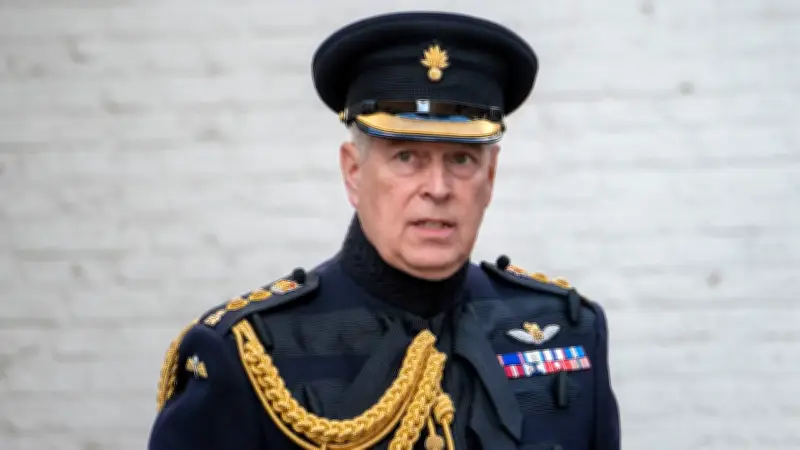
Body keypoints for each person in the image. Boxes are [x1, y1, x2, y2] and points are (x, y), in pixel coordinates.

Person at [147, 10, 620, 450]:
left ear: (490, 176)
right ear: (353, 172)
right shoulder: (248, 354)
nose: (438, 188)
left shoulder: (567, 331)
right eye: (406, 157)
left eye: (461, 159)